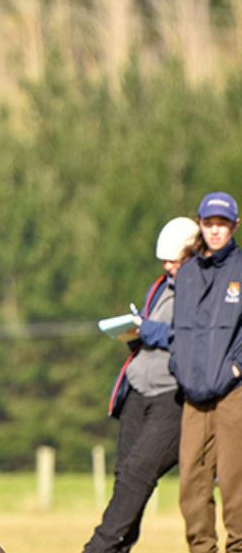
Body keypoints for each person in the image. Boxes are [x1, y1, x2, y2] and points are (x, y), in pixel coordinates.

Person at [83, 216, 199, 553]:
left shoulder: (204, 292)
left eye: (174, 261)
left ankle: (96, 549)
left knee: (137, 476)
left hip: (172, 398)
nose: (167, 267)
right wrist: (135, 334)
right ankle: (115, 549)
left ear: (192, 256)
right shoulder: (161, 286)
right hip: (138, 390)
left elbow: (192, 339)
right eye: (164, 261)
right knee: (125, 479)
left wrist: (148, 330)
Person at [169, 191, 242, 553]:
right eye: (209, 224)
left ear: (234, 227)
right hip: (193, 395)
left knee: (234, 481)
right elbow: (178, 329)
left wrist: (237, 367)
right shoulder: (187, 275)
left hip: (233, 392)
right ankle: (201, 549)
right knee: (192, 487)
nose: (215, 231)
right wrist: (178, 365)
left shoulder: (240, 271)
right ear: (200, 225)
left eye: (222, 224)